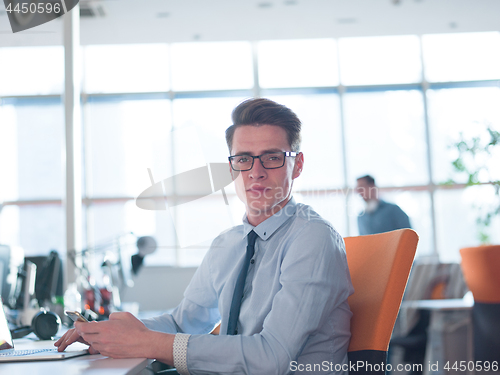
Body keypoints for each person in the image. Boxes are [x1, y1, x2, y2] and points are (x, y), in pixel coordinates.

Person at [56, 98, 354, 375]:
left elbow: (272, 356)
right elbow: (182, 322)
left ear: (297, 164)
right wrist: (108, 333)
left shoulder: (313, 238)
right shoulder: (229, 243)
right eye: (244, 159)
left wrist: (145, 343)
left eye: (272, 157)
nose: (256, 172)